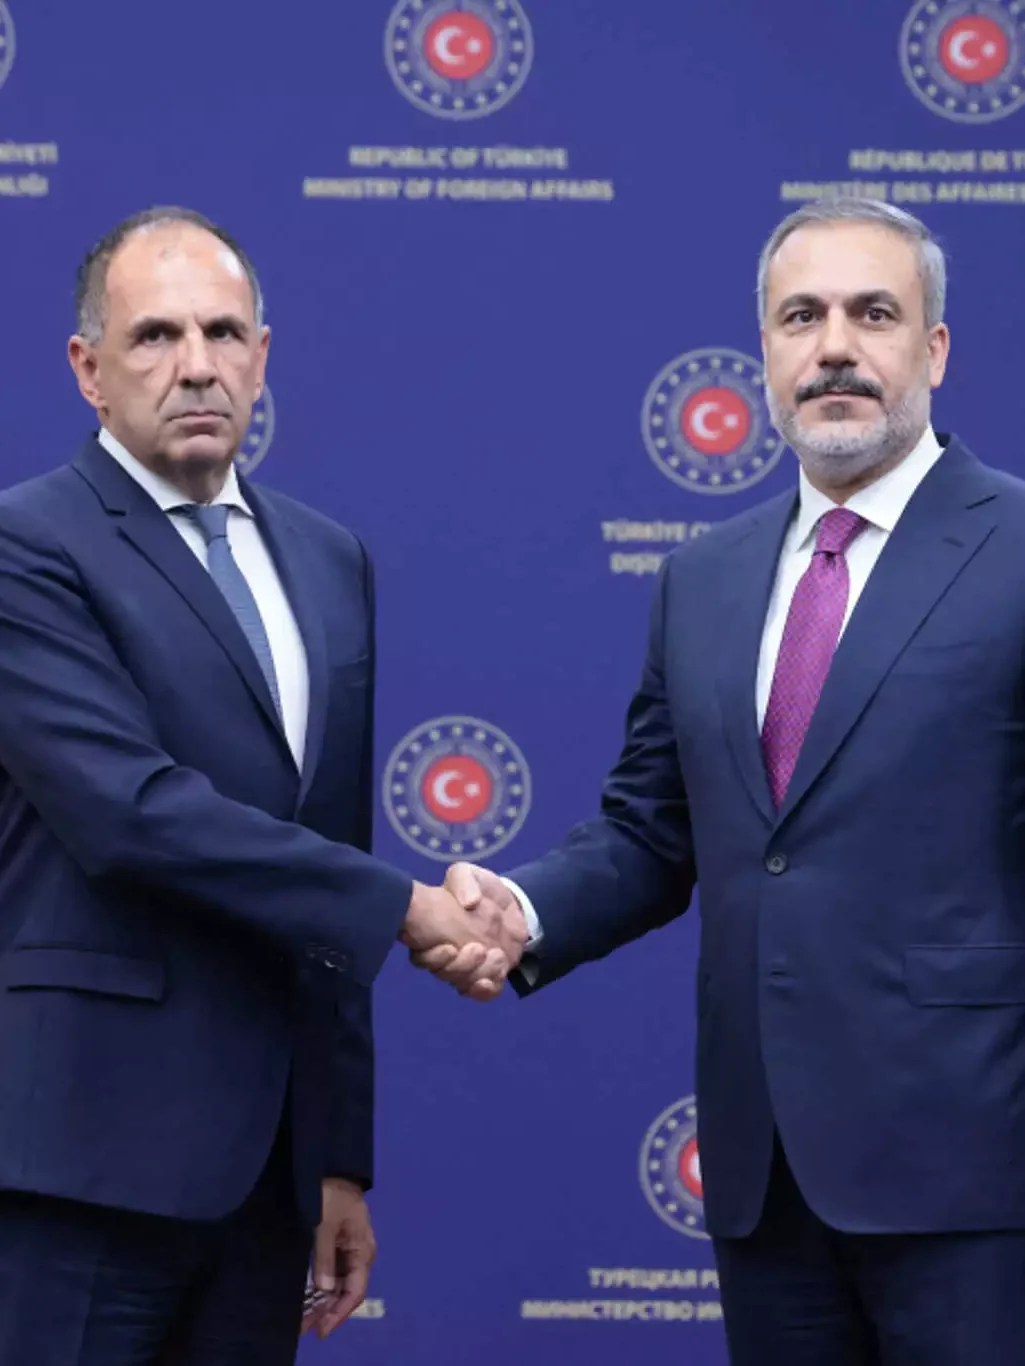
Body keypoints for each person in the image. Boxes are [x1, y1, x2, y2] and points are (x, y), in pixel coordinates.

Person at [418, 198, 1025, 1364]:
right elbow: (650, 831)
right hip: (765, 1179)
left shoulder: (1015, 549)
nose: (832, 346)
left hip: (978, 1175)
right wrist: (521, 910)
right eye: (800, 317)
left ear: (935, 348)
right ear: (763, 353)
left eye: (872, 313)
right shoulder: (701, 577)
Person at [0, 206, 521, 1366]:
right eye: (155, 336)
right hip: (81, 1166)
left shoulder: (328, 560)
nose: (196, 365)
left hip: (264, 1189)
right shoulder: (25, 546)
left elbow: (322, 850)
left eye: (223, 333)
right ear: (88, 369)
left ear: (263, 355)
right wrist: (408, 908)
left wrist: (336, 1157)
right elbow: (129, 813)